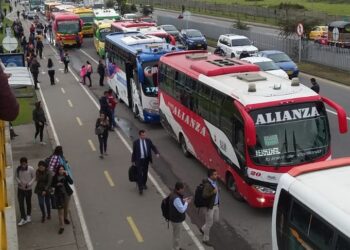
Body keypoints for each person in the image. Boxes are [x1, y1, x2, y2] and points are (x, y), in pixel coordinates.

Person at [131, 130, 160, 195]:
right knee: (139, 173)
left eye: (145, 135)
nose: (144, 136)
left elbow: (153, 147)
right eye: (143, 135)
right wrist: (133, 161)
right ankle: (140, 188)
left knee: (145, 172)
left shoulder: (148, 140)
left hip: (146, 160)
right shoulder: (136, 142)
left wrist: (156, 153)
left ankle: (144, 184)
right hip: (139, 160)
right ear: (140, 135)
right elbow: (134, 152)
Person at [51, 165, 73, 234]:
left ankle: (65, 218)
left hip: (67, 195)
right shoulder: (55, 177)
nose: (61, 171)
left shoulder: (65, 175)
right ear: (58, 170)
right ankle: (61, 226)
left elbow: (71, 182)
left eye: (62, 169)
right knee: (60, 212)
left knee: (66, 208)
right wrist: (57, 184)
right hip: (59, 196)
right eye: (60, 169)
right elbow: (52, 185)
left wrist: (67, 175)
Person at [200, 169, 220, 247]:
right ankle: (205, 239)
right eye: (215, 174)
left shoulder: (215, 181)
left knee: (216, 219)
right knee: (209, 223)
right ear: (210, 176)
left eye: (216, 174)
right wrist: (213, 192)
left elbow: (215, 191)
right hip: (209, 207)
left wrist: (218, 191)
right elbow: (204, 195)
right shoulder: (208, 185)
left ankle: (203, 229)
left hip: (216, 205)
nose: (216, 175)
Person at [169, 182, 191, 250]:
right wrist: (187, 203)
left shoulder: (173, 194)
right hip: (176, 220)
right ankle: (176, 248)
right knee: (177, 236)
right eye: (183, 189)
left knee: (176, 234)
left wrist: (184, 200)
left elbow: (177, 203)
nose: (184, 190)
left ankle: (176, 247)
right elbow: (182, 210)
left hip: (173, 217)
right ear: (179, 189)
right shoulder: (176, 198)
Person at [16, 157, 35, 226]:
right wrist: (19, 182)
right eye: (22, 164)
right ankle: (23, 218)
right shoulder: (18, 169)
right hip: (20, 189)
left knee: (28, 202)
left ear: (27, 163)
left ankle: (28, 215)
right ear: (20, 163)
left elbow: (33, 177)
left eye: (24, 164)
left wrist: (29, 184)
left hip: (28, 189)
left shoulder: (31, 169)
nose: (23, 165)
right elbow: (16, 177)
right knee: (21, 203)